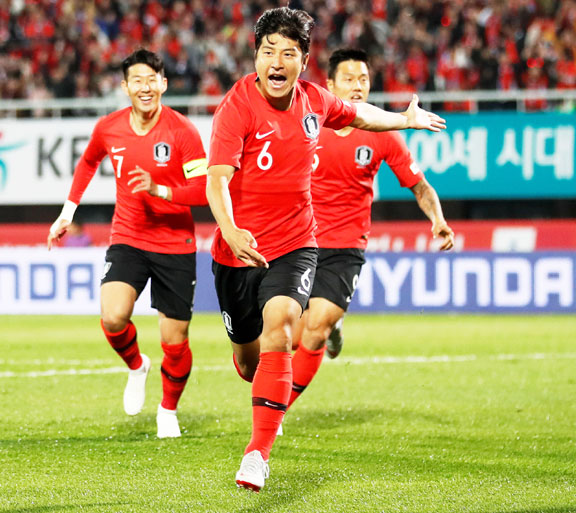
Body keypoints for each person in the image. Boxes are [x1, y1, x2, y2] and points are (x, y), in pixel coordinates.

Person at [205, 7, 446, 492]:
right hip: (237, 252)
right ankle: (262, 386)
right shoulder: (236, 106)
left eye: (288, 53)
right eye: (268, 51)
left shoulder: (316, 101)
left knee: (285, 328)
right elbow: (217, 178)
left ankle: (257, 454)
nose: (277, 61)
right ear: (255, 56)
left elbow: (360, 116)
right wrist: (229, 229)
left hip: (298, 244)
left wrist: (404, 119)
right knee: (249, 364)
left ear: (303, 60)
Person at [47, 49, 208, 438]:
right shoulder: (109, 128)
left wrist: (160, 189)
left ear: (164, 84)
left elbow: (203, 191)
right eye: (137, 80)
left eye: (152, 80)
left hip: (175, 243)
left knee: (175, 340)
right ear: (125, 87)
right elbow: (87, 163)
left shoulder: (183, 131)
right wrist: (68, 212)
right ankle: (137, 366)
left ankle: (167, 410)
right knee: (113, 317)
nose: (145, 87)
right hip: (129, 238)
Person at [286, 48, 455, 412]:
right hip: (300, 240)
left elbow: (419, 186)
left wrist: (437, 220)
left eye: (363, 79)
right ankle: (333, 331)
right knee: (291, 336)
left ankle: (277, 408)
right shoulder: (307, 124)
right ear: (330, 84)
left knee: (314, 328)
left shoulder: (383, 132)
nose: (357, 86)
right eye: (348, 78)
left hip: (346, 245)